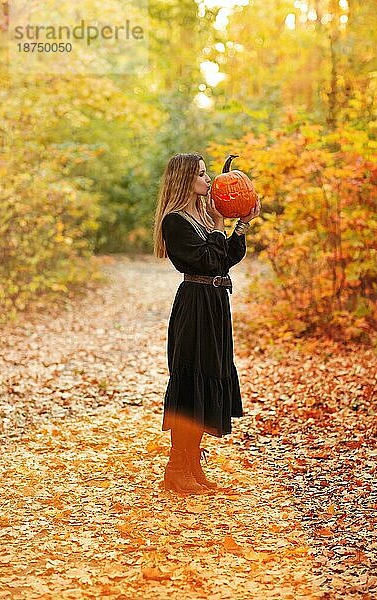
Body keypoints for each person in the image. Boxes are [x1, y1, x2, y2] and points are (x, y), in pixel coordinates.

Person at [153, 152, 260, 494]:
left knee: (209, 376)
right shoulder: (175, 221)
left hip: (214, 305)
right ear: (185, 179)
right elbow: (205, 261)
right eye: (201, 174)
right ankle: (176, 468)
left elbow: (226, 258)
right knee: (191, 381)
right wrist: (218, 225)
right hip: (195, 305)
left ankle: (192, 466)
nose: (209, 179)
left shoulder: (199, 217)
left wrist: (241, 225)